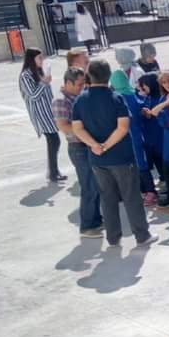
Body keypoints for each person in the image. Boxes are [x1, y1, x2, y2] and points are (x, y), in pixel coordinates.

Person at [71, 59, 158, 248]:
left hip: (97, 159)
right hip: (121, 157)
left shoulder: (80, 100)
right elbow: (123, 127)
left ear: (89, 76)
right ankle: (141, 235)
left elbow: (77, 129)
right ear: (108, 76)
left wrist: (95, 146)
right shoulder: (116, 97)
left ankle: (113, 237)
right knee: (131, 196)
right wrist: (106, 145)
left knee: (107, 197)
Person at [53, 66, 102, 238]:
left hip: (88, 144)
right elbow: (64, 126)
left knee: (96, 184)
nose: (83, 87)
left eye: (84, 84)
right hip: (79, 148)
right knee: (89, 185)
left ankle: (96, 219)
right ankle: (88, 226)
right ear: (68, 82)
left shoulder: (80, 96)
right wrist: (86, 134)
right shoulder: (61, 100)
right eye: (80, 84)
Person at [19, 48, 65, 182]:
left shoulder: (38, 71)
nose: (42, 60)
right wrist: (44, 82)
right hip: (40, 113)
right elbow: (33, 95)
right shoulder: (25, 76)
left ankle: (53, 171)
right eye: (39, 58)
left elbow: (46, 92)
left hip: (48, 111)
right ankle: (53, 172)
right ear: (31, 60)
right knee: (54, 140)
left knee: (54, 141)